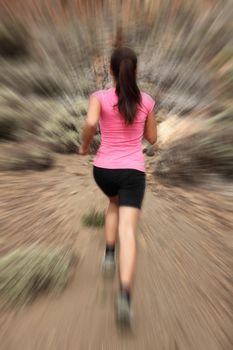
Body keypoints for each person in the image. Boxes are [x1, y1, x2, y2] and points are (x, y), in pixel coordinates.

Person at [79, 46, 157, 326]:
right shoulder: (146, 100)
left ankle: (108, 255)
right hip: (132, 172)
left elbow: (89, 123)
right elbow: (152, 139)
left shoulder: (98, 97)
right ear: (135, 71)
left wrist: (85, 145)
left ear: (111, 71)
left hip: (104, 170)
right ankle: (125, 295)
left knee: (112, 203)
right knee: (129, 230)